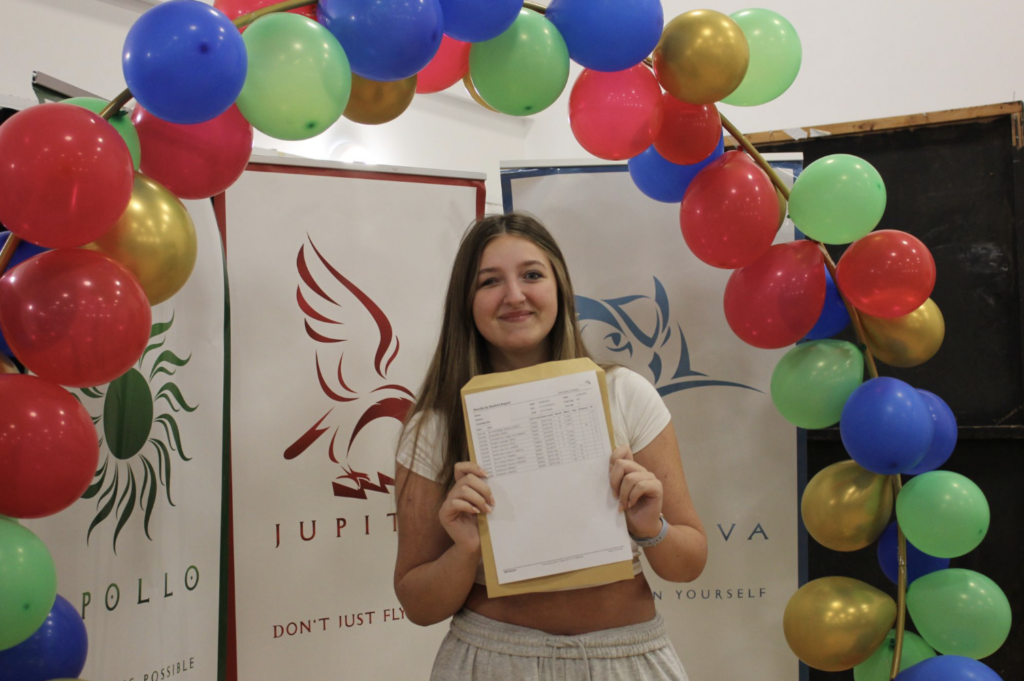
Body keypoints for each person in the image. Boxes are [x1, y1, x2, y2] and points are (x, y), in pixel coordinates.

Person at [394, 213, 707, 680]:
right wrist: (464, 550)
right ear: (466, 302)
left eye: (532, 275)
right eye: (489, 282)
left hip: (626, 658)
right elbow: (419, 604)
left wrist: (651, 527)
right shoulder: (436, 427)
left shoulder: (625, 393)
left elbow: (689, 563)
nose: (515, 295)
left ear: (559, 286)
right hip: (492, 660)